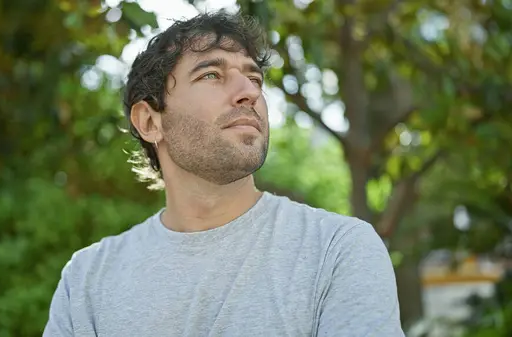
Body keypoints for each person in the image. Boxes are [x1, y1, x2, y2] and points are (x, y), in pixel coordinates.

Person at [43, 10, 405, 337]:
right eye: (212, 74)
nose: (248, 92)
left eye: (255, 78)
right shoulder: (88, 281)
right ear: (150, 122)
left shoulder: (337, 250)